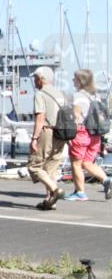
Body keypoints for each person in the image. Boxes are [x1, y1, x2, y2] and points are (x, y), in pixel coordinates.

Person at [64, 69, 111, 201]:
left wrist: (70, 136)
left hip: (82, 133)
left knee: (76, 163)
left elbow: (76, 117)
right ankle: (107, 180)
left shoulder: (79, 96)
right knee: (87, 162)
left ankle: (80, 192)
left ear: (80, 81)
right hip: (95, 134)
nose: (73, 81)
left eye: (75, 79)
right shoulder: (94, 95)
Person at [27, 66, 66, 209]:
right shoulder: (60, 94)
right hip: (61, 134)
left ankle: (56, 190)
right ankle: (50, 201)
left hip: (47, 132)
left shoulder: (40, 94)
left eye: (35, 78)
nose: (35, 81)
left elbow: (40, 117)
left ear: (41, 79)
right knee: (51, 168)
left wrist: (34, 138)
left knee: (34, 165)